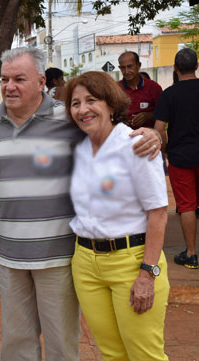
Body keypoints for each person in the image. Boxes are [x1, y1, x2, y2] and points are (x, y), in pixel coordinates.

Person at [0, 47, 163, 361]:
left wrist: (154, 135)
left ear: (41, 82)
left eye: (19, 79)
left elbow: (156, 208)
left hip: (65, 255)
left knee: (66, 346)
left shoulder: (71, 122)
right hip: (23, 255)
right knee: (20, 344)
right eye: (5, 79)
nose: (9, 86)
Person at [65, 71, 169, 360]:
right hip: (86, 264)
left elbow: (158, 214)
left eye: (91, 100)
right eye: (75, 103)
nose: (82, 109)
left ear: (111, 104)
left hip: (132, 262)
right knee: (111, 354)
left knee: (145, 354)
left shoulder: (136, 144)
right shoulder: (78, 148)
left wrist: (148, 274)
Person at [154, 48, 199, 269]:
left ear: (175, 68)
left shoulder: (169, 95)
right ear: (197, 66)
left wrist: (164, 149)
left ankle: (191, 254)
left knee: (187, 205)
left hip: (181, 158)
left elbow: (159, 128)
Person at [117, 51, 162, 129]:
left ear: (139, 65)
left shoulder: (153, 87)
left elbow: (163, 113)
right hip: (123, 138)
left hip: (148, 137)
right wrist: (122, 120)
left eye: (130, 66)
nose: (127, 71)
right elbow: (109, 115)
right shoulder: (116, 88)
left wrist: (148, 116)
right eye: (123, 68)